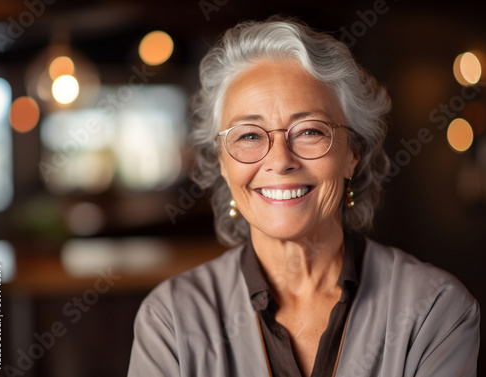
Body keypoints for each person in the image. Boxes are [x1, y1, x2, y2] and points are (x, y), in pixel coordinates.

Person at [128, 17, 480, 377]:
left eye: (310, 131)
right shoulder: (170, 318)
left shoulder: (434, 310)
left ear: (352, 154)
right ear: (222, 162)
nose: (280, 161)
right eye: (249, 136)